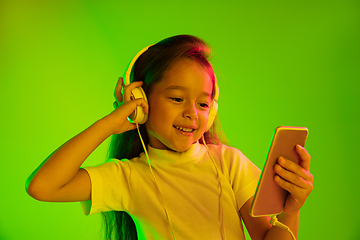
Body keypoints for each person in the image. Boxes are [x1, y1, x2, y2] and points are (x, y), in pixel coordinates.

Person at [26, 35, 313, 240]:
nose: (192, 113)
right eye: (177, 98)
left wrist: (290, 212)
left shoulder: (228, 162)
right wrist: (109, 124)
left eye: (203, 104)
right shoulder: (128, 177)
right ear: (141, 100)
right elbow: (43, 187)